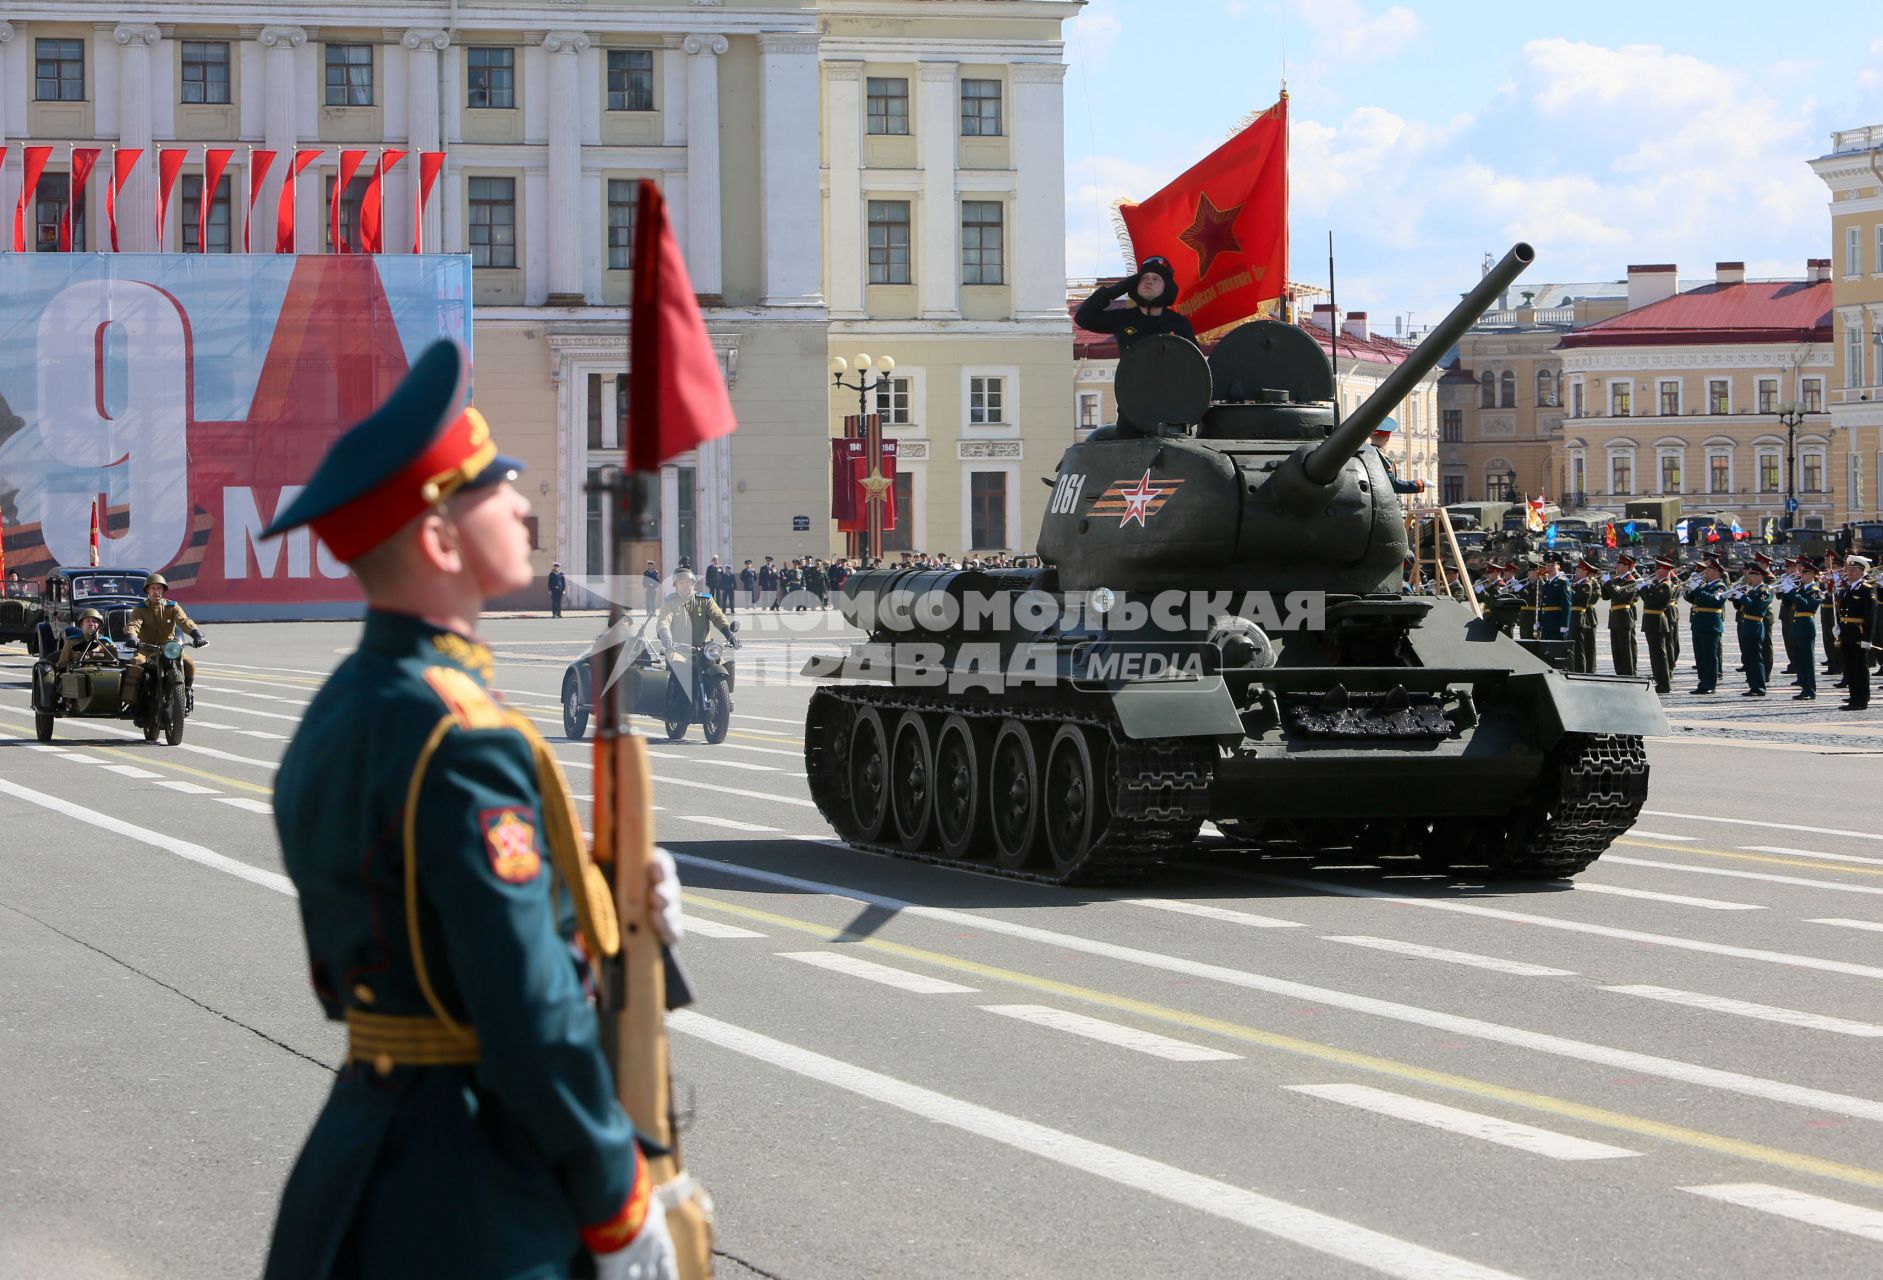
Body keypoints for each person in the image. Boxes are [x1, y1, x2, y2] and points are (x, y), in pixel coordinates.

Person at [256, 340, 680, 1280]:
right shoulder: (462, 738)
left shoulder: (338, 713)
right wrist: (615, 1201)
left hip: (361, 1159)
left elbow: (416, 922)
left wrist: (599, 897)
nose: (526, 507)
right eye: (495, 488)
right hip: (473, 1200)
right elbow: (528, 1015)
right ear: (442, 540)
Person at [1071, 255, 1196, 356]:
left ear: (1166, 288)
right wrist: (1116, 290)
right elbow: (1084, 318)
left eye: (1156, 278)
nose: (1149, 281)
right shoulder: (1123, 319)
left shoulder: (1179, 323)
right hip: (1134, 385)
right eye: (1145, 277)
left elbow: (1196, 364)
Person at [123, 572, 206, 712]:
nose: (156, 591)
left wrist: (196, 633)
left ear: (163, 590)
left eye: (159, 588)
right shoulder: (140, 608)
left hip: (168, 648)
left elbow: (184, 621)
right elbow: (134, 624)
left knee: (189, 663)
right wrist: (132, 636)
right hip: (146, 648)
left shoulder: (172, 606)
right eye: (153, 588)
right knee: (136, 663)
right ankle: (133, 700)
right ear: (148, 591)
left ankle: (185, 692)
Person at [1684, 557, 1729, 694]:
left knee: (1710, 656)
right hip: (1699, 624)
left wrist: (1697, 588)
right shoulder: (1705, 585)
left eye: (1709, 569)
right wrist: (1691, 588)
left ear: (1716, 571)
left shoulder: (1720, 587)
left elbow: (1712, 601)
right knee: (1701, 656)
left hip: (1710, 625)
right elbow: (1692, 599)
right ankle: (1703, 682)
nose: (1706, 572)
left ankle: (1710, 684)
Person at [1837, 555, 1876, 710]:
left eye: (1854, 570)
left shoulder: (1866, 589)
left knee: (1860, 667)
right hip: (1847, 633)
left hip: (1858, 633)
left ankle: (1862, 699)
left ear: (1862, 571)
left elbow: (1870, 616)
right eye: (1849, 569)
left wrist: (1868, 637)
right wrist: (1838, 627)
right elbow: (1841, 611)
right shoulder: (1846, 589)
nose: (1850, 572)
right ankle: (1854, 696)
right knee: (1850, 667)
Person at [1729, 562, 1773, 696]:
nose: (1750, 577)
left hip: (1756, 626)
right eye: (1750, 574)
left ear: (1760, 576)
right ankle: (1752, 685)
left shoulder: (1764, 591)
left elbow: (1756, 608)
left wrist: (1742, 597)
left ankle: (1759, 687)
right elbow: (1744, 607)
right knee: (1748, 658)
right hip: (1747, 625)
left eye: (1753, 575)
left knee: (1756, 658)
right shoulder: (1752, 590)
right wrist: (1736, 597)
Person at [1600, 554, 1640, 678]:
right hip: (1615, 617)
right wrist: (1605, 582)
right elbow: (1606, 596)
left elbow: (1618, 596)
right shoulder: (1617, 579)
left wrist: (1608, 582)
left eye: (1620, 564)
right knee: (1616, 648)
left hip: (1624, 616)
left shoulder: (1631, 580)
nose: (1617, 566)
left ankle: (1628, 673)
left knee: (1625, 648)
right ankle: (1620, 672)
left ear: (1626, 566)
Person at [1788, 559, 1822, 700]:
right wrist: (1788, 591)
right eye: (1802, 573)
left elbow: (1807, 605)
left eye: (1805, 573)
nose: (1802, 575)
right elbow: (1788, 602)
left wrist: (1793, 593)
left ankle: (1810, 690)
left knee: (1807, 660)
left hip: (1807, 624)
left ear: (1813, 574)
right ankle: (1803, 687)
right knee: (1800, 658)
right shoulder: (1801, 589)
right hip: (1798, 624)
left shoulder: (1815, 590)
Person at [1367, 418, 1425, 497]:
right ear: (1387, 438)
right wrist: (1419, 484)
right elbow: (1392, 485)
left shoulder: (1364, 454)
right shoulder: (1383, 459)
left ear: (1370, 436)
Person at [1568, 556, 1601, 673]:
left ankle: (1590, 670)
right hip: (1579, 615)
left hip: (1588, 615)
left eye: (1578, 569)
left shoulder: (1591, 584)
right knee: (1580, 646)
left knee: (1589, 647)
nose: (1575, 572)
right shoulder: (1577, 583)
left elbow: (1593, 599)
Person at [1535, 556, 1570, 642]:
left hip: (1556, 623)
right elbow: (1542, 604)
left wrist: (1564, 625)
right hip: (1546, 622)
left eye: (1552, 565)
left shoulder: (1562, 582)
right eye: (1547, 565)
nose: (1549, 567)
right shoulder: (1548, 583)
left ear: (1558, 566)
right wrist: (1539, 620)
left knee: (1556, 650)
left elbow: (1566, 605)